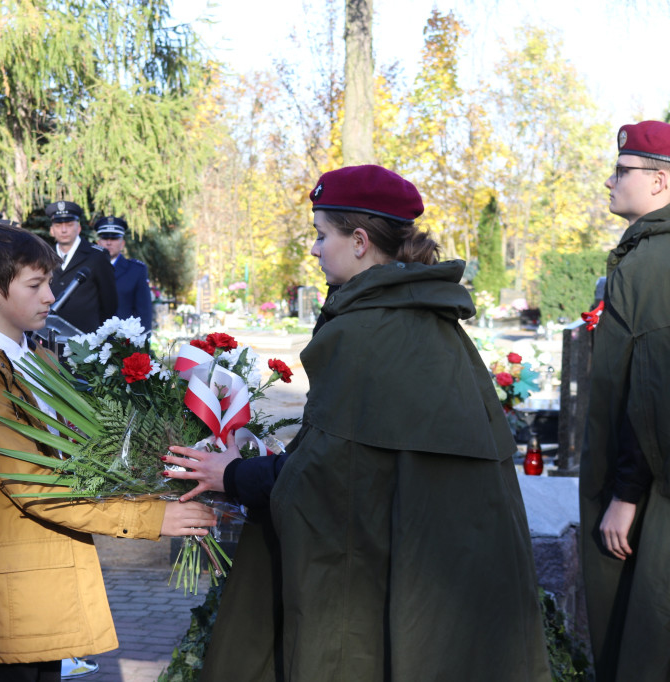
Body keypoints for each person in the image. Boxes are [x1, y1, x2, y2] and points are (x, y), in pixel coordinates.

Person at [164, 165, 550, 682]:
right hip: (446, 583)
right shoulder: (430, 319)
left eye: (323, 235)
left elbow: (324, 478)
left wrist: (230, 475)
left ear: (361, 241)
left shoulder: (366, 331)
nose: (316, 249)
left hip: (383, 583)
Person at [0, 223, 214, 682]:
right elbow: (35, 484)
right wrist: (152, 518)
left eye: (49, 282)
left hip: (45, 570)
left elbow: (82, 456)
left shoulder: (38, 358)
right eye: (35, 285)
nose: (50, 296)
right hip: (15, 578)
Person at [579, 120, 670, 681]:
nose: (609, 182)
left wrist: (627, 494)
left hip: (652, 494)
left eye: (622, 171)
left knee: (644, 637)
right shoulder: (644, 254)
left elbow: (657, 387)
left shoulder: (655, 263)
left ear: (660, 182)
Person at [46, 201, 117, 334]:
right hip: (50, 340)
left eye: (69, 224)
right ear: (52, 230)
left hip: (86, 340)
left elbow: (109, 303)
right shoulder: (44, 256)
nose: (63, 230)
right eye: (58, 225)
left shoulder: (96, 256)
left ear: (78, 228)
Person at [95, 216, 152, 332]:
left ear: (122, 244)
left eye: (114, 238)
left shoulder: (136, 271)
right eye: (105, 237)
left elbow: (144, 313)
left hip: (123, 342)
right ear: (98, 242)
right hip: (91, 339)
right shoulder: (88, 269)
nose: (109, 242)